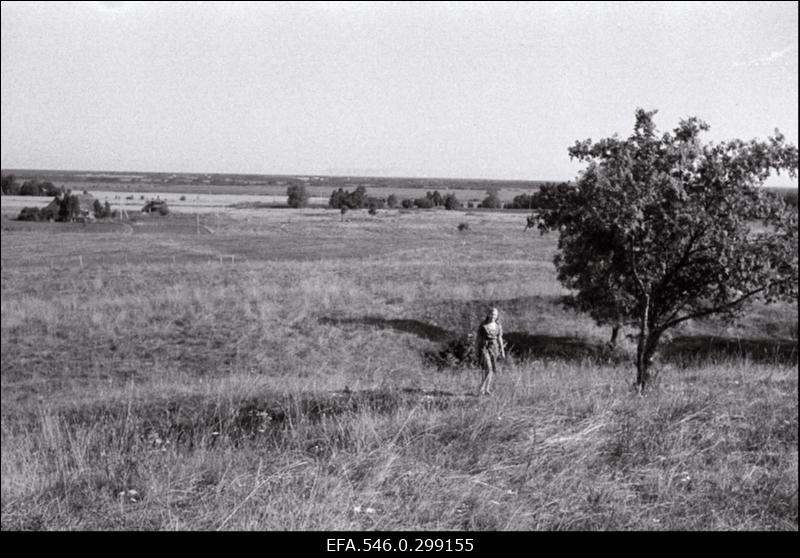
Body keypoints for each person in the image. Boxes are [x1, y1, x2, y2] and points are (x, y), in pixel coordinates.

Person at [475, 307, 505, 395]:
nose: (493, 316)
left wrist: (502, 350)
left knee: (491, 369)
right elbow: (478, 338)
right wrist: (476, 349)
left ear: (497, 315)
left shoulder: (498, 326)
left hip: (494, 348)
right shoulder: (483, 325)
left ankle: (486, 389)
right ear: (488, 314)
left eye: (495, 314)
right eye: (491, 314)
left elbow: (500, 338)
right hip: (484, 347)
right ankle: (480, 387)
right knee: (488, 368)